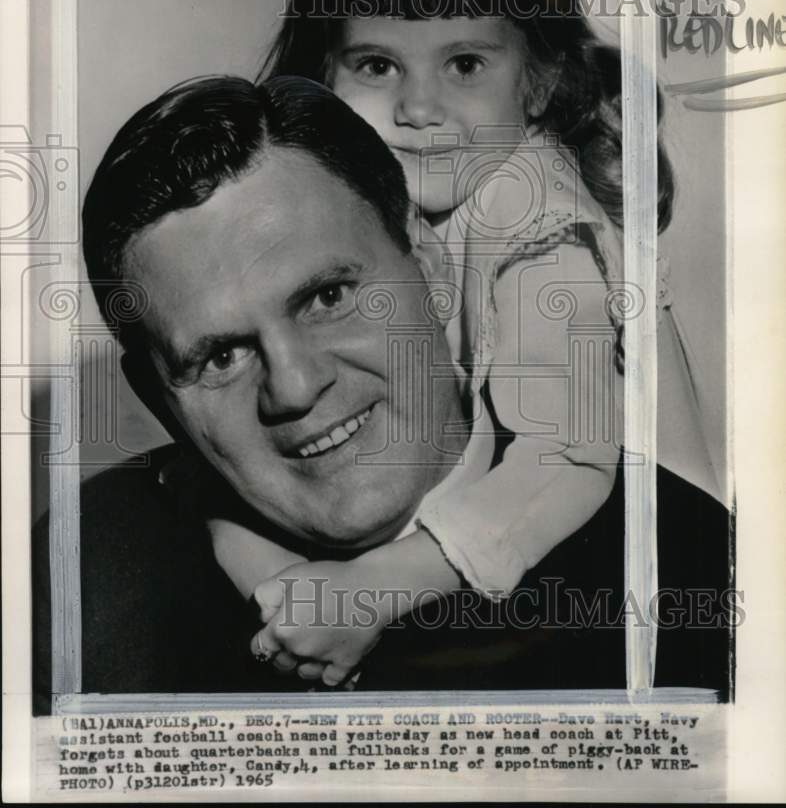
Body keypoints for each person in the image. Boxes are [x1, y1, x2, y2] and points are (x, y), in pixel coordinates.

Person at [34, 74, 731, 711]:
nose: (295, 388)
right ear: (157, 399)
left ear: (430, 267)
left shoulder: (682, 560)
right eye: (221, 356)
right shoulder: (88, 574)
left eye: (328, 297)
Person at [243, 0, 724, 681]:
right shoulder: (396, 200)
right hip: (520, 527)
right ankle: (288, 609)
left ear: (538, 80)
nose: (418, 109)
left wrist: (378, 588)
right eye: (377, 66)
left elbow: (565, 459)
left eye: (464, 65)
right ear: (323, 73)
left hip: (649, 562)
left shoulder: (536, 223)